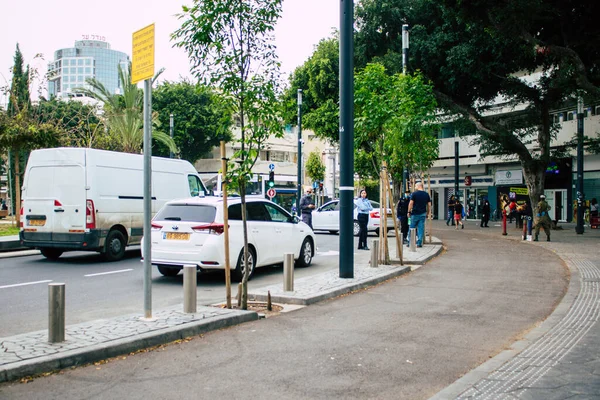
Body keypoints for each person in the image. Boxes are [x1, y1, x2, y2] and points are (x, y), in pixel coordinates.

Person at [407, 182, 432, 248]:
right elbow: (429, 205)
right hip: (423, 213)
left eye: (415, 186)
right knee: (421, 228)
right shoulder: (426, 194)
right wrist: (428, 213)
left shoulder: (414, 194)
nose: (415, 187)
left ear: (418, 186)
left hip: (415, 213)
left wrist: (409, 211)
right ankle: (419, 243)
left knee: (412, 227)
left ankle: (410, 242)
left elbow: (411, 203)